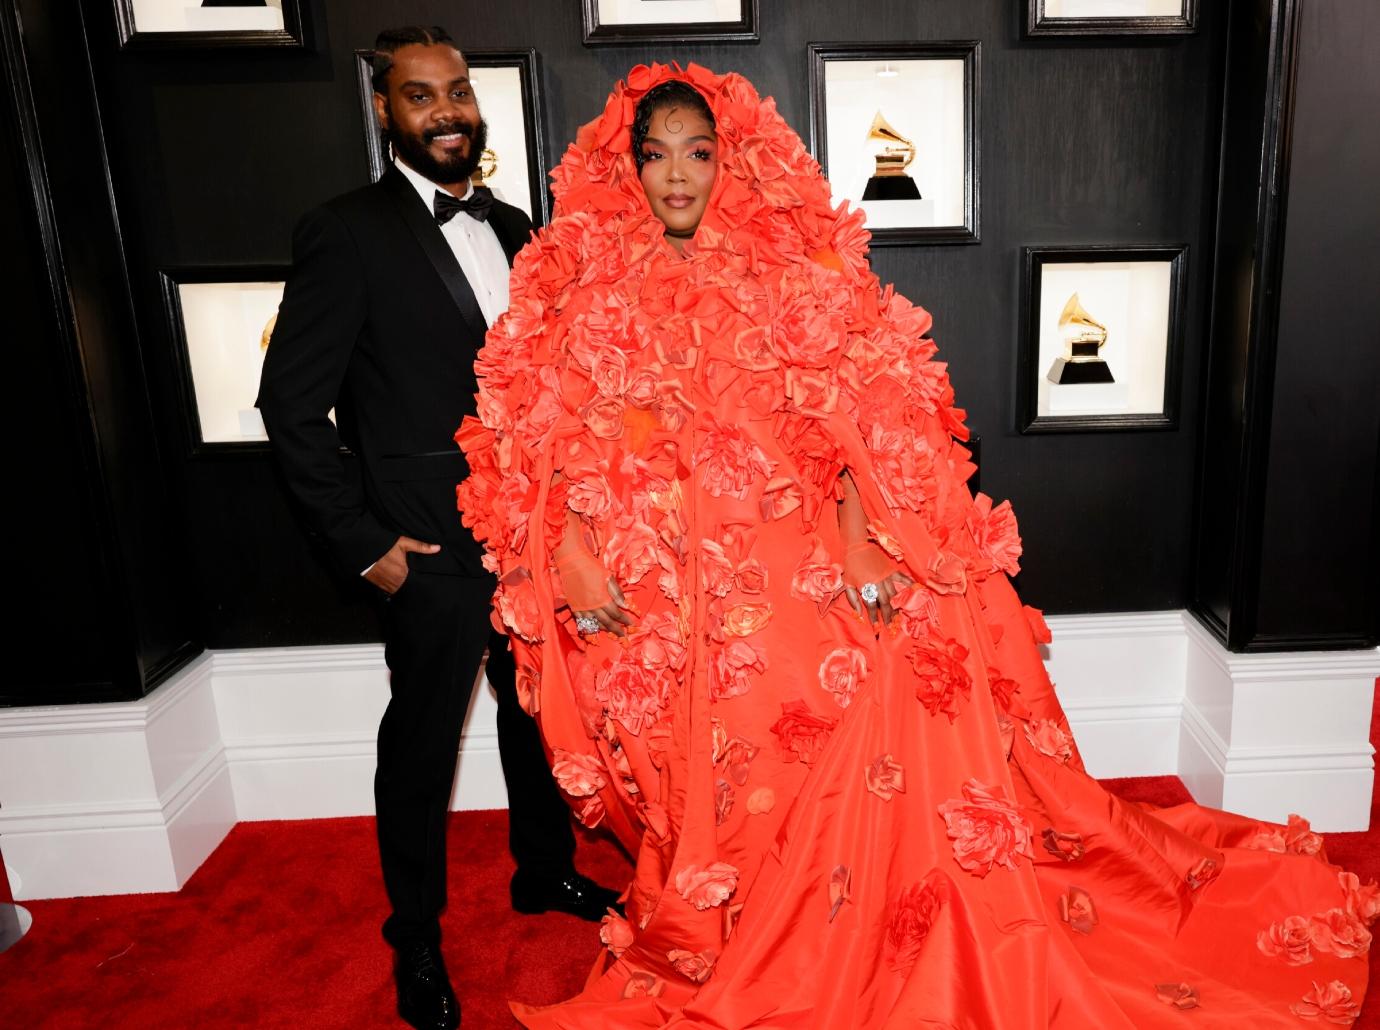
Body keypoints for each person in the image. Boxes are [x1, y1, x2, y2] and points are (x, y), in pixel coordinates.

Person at [456, 66, 1375, 1027]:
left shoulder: (794, 270)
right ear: (629, 169)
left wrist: (858, 548)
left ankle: (816, 938)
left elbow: (868, 426)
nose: (678, 176)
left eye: (700, 152)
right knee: (707, 753)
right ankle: (734, 925)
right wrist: (566, 554)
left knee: (851, 703)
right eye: (657, 156)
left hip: (789, 565)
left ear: (735, 161)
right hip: (670, 601)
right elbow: (538, 442)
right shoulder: (589, 287)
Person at [256, 26, 618, 1030]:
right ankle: (415, 938)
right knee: (420, 749)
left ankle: (543, 874)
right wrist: (362, 543)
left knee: (540, 724)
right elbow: (291, 404)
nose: (448, 110)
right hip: (427, 550)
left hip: (535, 541)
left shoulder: (517, 226)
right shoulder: (345, 230)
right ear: (385, 112)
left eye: (457, 91)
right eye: (422, 97)